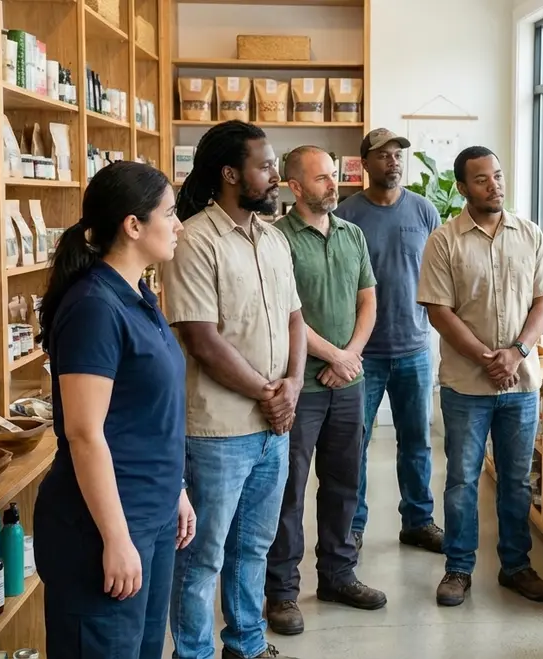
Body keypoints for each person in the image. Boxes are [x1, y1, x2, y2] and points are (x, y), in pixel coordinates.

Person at [33, 161, 193, 657]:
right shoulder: (94, 307)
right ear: (133, 225)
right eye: (170, 213)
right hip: (101, 528)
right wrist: (117, 538)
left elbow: (148, 412)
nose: (179, 226)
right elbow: (84, 434)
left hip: (151, 513)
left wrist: (174, 490)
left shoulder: (139, 294)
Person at [164, 120, 306, 659]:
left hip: (274, 428)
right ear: (230, 174)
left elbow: (295, 318)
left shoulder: (274, 238)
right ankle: (194, 653)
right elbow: (201, 338)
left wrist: (293, 384)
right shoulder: (195, 240)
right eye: (265, 166)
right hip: (218, 432)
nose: (276, 177)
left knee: (254, 547)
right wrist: (270, 394)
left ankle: (245, 644)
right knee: (202, 556)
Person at [417, 146, 543, 607]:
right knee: (462, 480)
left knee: (517, 481)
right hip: (466, 386)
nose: (494, 184)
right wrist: (487, 358)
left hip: (521, 384)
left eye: (497, 175)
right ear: (462, 188)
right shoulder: (444, 241)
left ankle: (516, 567)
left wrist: (516, 353)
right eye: (481, 179)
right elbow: (439, 311)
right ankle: (458, 568)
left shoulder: (530, 234)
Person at [265, 145, 386, 635]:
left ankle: (338, 575)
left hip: (348, 384)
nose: (333, 184)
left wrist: (350, 355)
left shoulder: (352, 234)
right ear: (295, 187)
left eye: (333, 175)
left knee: (344, 483)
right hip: (302, 388)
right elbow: (284, 313)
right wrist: (333, 356)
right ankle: (282, 592)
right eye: (321, 178)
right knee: (289, 492)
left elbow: (368, 301)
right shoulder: (277, 239)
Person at [334, 128, 444, 553]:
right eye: (383, 155)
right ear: (365, 163)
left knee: (416, 442)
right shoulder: (347, 215)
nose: (393, 161)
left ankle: (418, 521)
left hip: (414, 347)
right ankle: (353, 525)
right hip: (362, 354)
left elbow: (439, 276)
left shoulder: (423, 211)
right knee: (354, 445)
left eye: (398, 154)